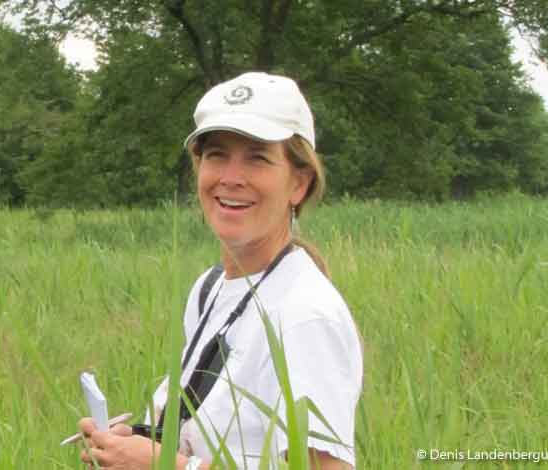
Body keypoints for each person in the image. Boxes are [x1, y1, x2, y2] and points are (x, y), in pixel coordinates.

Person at [76, 72, 363, 469]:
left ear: (299, 183)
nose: (231, 178)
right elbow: (201, 432)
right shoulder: (211, 288)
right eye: (216, 155)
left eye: (257, 158)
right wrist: (127, 447)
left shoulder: (304, 315)